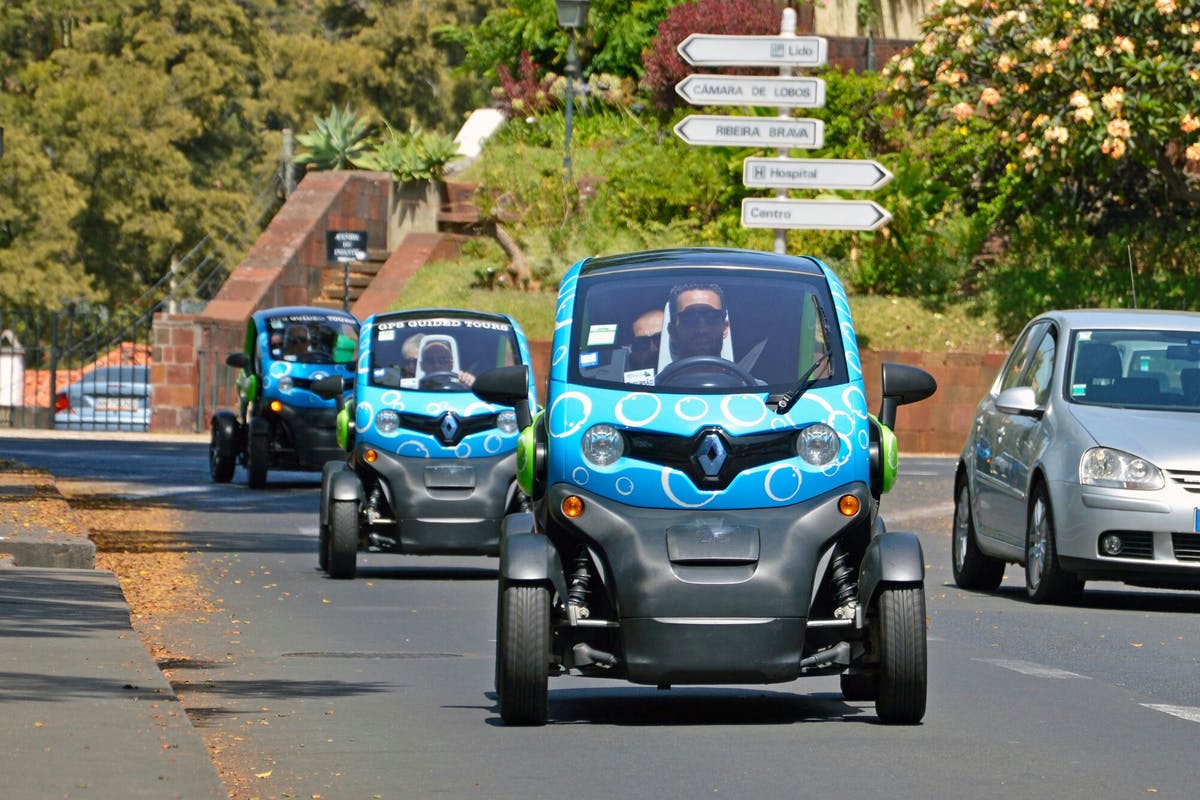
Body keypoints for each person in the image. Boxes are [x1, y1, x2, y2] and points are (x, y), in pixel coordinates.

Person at [664, 282, 731, 364]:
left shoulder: (742, 373)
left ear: (725, 328)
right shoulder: (660, 374)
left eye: (712, 316)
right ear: (672, 331)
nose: (701, 330)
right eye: (689, 317)